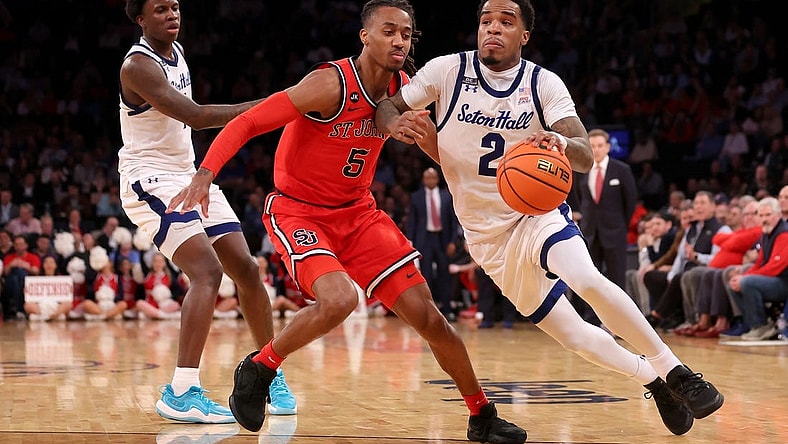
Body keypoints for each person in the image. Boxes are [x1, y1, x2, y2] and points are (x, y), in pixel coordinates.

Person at [167, 1, 526, 442]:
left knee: (431, 319)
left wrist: (481, 187)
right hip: (299, 210)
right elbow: (248, 123)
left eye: (407, 34)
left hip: (358, 214)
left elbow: (436, 147)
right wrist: (205, 176)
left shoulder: (405, 88)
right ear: (365, 36)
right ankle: (261, 366)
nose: (399, 40)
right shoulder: (328, 84)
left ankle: (481, 415)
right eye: (389, 31)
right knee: (339, 300)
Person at [375, 0, 724, 436]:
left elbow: (582, 154)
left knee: (587, 278)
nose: (493, 30)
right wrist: (392, 124)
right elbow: (386, 105)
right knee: (573, 334)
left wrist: (558, 140)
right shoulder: (447, 71)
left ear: (524, 35)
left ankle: (676, 372)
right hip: (487, 238)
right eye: (486, 22)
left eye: (506, 22)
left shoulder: (544, 83)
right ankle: (651, 380)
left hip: (535, 213)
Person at [118, 0, 295, 424]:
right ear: (140, 19)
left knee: (247, 270)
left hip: (189, 176)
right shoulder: (136, 67)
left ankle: (267, 373)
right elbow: (196, 118)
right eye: (160, 10)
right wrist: (274, 106)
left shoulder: (176, 53)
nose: (172, 15)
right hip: (150, 178)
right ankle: (181, 390)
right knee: (207, 271)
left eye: (175, 7)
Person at [568, 128, 637, 325]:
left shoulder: (621, 170)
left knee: (616, 279)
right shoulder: (582, 171)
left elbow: (630, 203)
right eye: (592, 146)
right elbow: (581, 201)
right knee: (590, 278)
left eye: (599, 146)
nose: (596, 150)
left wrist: (618, 225)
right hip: (590, 232)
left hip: (615, 232)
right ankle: (592, 321)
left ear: (607, 147)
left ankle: (619, 323)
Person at [727, 197, 788, 340]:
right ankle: (755, 324)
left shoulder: (784, 234)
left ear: (778, 215)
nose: (764, 219)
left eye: (768, 215)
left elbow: (775, 267)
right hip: (773, 280)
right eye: (761, 216)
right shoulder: (766, 233)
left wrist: (745, 277)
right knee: (734, 284)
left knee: (746, 282)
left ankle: (760, 326)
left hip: (783, 282)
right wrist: (744, 275)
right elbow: (759, 262)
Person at [407, 167, 458, 320]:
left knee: (444, 275)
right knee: (426, 276)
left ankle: (447, 310)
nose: (430, 180)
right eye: (427, 177)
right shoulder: (416, 197)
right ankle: (429, 310)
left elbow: (453, 221)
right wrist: (411, 242)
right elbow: (412, 222)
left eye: (433, 177)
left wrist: (452, 241)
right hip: (425, 239)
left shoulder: (446, 196)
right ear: (423, 180)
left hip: (442, 239)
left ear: (437, 179)